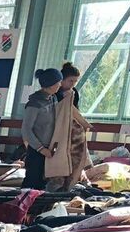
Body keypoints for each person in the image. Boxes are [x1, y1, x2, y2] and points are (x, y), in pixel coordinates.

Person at [46, 62, 92, 191]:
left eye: (75, 81)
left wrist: (82, 124)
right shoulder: (55, 92)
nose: (73, 84)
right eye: (70, 81)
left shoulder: (74, 92)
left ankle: (72, 180)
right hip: (56, 128)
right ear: (62, 80)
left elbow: (74, 111)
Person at [22, 67, 62, 189]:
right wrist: (41, 149)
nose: (60, 85)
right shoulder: (34, 103)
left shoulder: (53, 98)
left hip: (50, 148)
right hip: (37, 150)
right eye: (58, 82)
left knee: (44, 185)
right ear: (50, 85)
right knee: (32, 181)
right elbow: (26, 130)